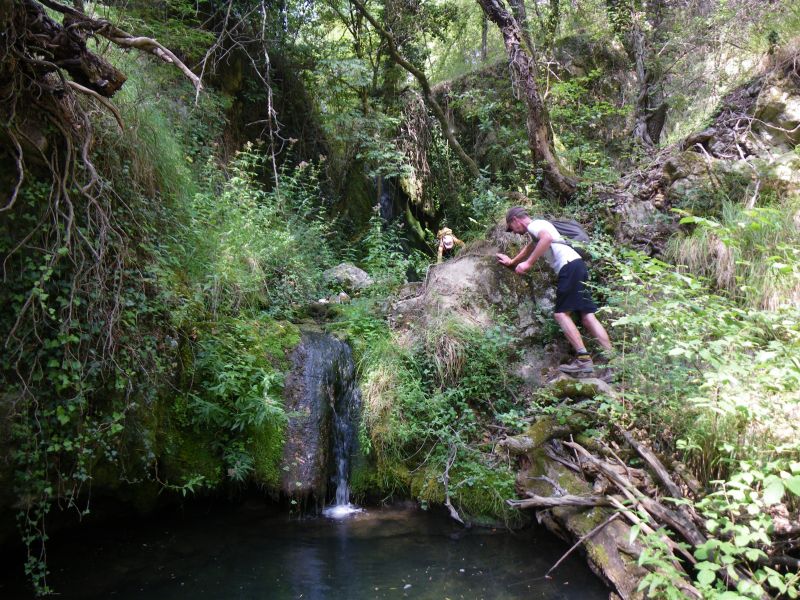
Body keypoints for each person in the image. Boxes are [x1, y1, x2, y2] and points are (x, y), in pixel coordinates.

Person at [497, 206, 612, 376]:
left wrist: (528, 264)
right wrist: (513, 261)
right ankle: (614, 361)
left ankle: (583, 359)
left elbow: (547, 238)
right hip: (577, 265)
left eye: (511, 227)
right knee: (587, 317)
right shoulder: (538, 227)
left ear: (515, 220)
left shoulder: (535, 226)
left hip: (568, 267)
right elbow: (531, 246)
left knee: (560, 315)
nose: (514, 232)